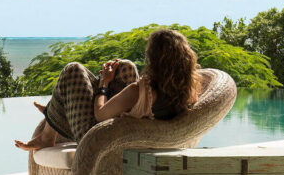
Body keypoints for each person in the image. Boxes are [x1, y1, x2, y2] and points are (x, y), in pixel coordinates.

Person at [15, 28, 202, 151]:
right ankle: (54, 110)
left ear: (154, 60)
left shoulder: (138, 91)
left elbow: (100, 115)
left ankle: (51, 125)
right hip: (127, 130)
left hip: (99, 138)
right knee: (126, 67)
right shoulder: (188, 92)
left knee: (73, 70)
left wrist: (104, 82)